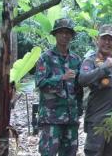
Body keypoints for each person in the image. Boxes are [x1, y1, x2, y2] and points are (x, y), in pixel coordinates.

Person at [35, 18, 83, 156]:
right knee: (48, 153)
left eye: (68, 32)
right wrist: (61, 77)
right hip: (52, 118)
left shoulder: (76, 59)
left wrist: (79, 110)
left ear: (72, 36)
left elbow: (79, 89)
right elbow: (40, 83)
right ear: (55, 34)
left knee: (70, 153)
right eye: (61, 32)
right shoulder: (46, 58)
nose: (64, 35)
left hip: (71, 118)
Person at [79, 24, 112, 156]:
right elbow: (82, 79)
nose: (107, 42)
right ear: (98, 40)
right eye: (104, 38)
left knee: (111, 153)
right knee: (95, 153)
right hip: (97, 121)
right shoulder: (90, 60)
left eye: (110, 39)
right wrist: (103, 68)